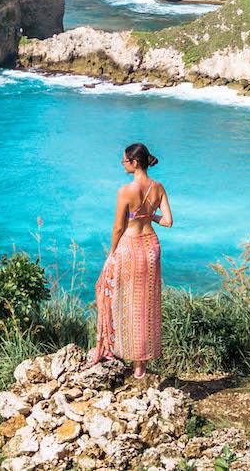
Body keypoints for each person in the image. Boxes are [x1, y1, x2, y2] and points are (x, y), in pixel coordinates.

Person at [88, 142, 173, 378]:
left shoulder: (125, 190)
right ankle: (140, 368)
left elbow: (118, 227)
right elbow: (168, 221)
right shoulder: (158, 187)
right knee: (146, 305)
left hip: (130, 248)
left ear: (134, 163)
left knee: (118, 299)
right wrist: (150, 215)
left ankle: (112, 349)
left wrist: (111, 254)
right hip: (152, 249)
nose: (122, 164)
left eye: (124, 161)